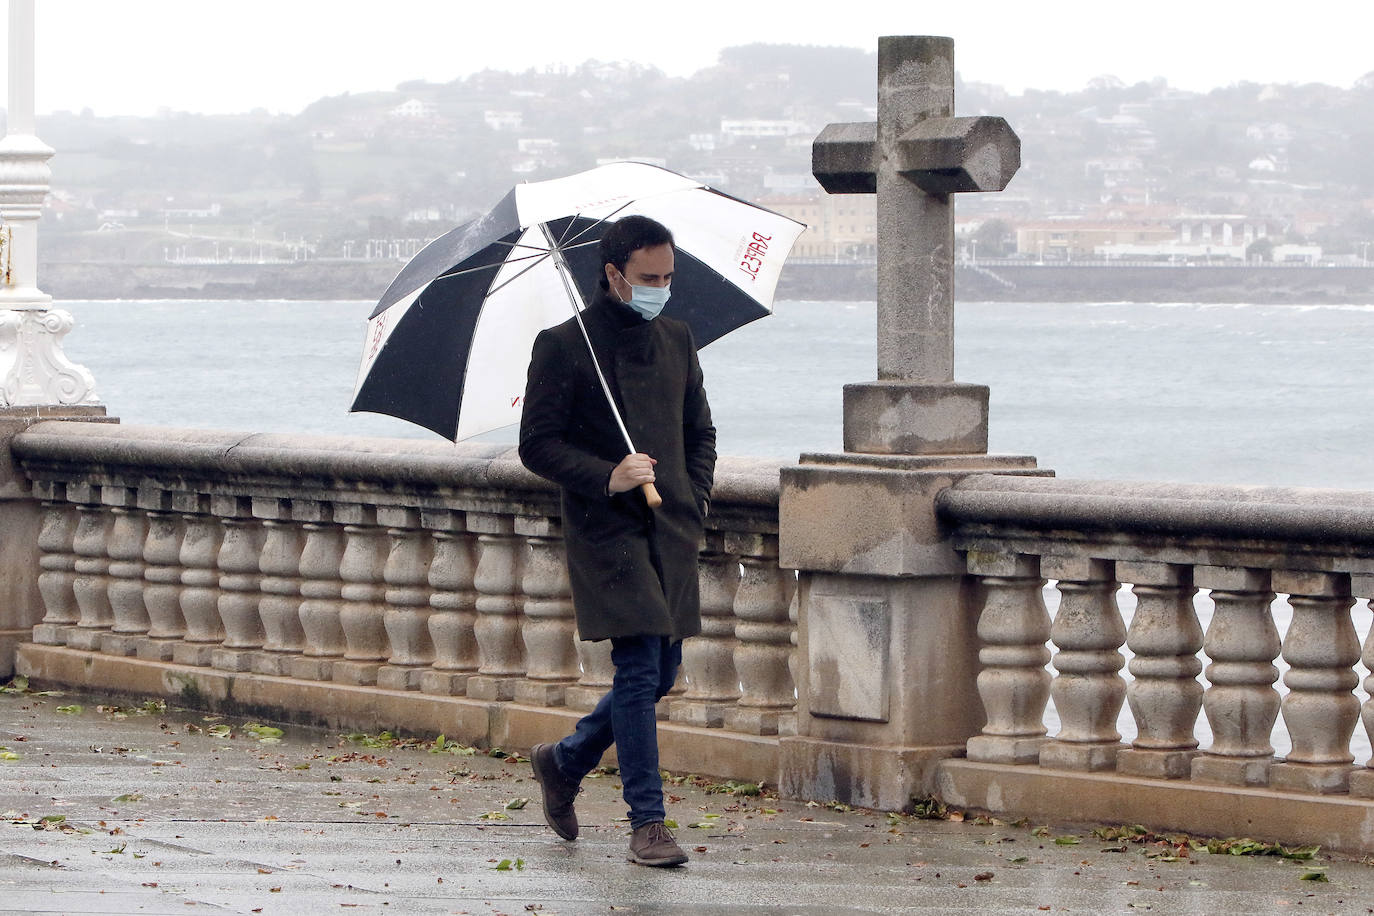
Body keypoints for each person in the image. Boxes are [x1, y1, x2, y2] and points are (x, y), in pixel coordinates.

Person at [518, 214, 716, 868]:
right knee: (636, 669)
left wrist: (696, 498)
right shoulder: (563, 345)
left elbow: (699, 434)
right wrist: (608, 474)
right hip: (606, 530)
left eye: (668, 276)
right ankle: (648, 824)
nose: (662, 287)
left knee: (662, 673)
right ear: (612, 275)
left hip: (672, 527)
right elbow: (537, 446)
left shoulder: (679, 339)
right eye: (648, 278)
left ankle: (564, 760)